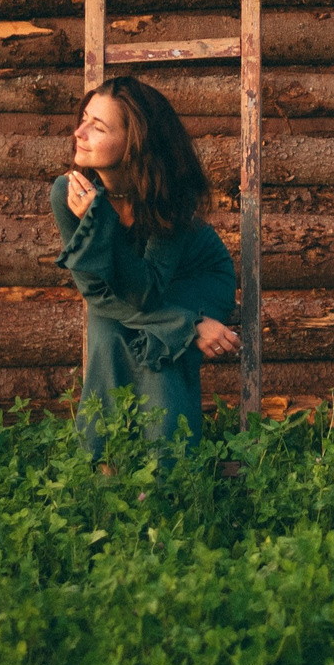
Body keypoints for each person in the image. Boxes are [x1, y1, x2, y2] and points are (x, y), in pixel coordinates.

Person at [51, 75, 239, 459]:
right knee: (107, 328)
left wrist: (179, 324)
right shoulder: (69, 193)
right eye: (84, 118)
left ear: (134, 143)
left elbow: (149, 291)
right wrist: (187, 325)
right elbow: (97, 295)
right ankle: (104, 467)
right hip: (145, 295)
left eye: (97, 126)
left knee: (158, 347)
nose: (79, 132)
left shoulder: (167, 193)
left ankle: (170, 478)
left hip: (196, 277)